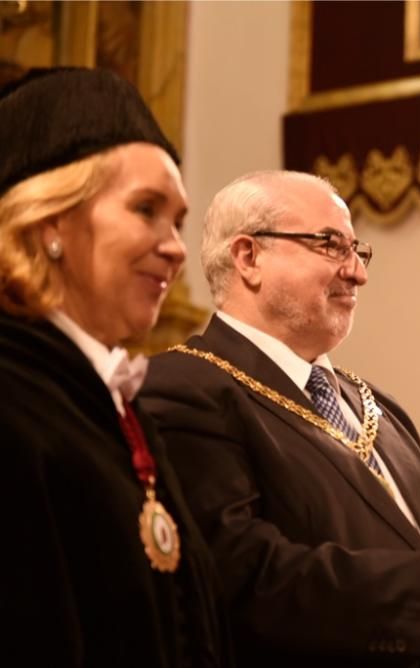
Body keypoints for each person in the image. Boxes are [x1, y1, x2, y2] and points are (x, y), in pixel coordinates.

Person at [139, 170, 420, 667]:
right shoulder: (184, 388)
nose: (357, 272)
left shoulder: (368, 399)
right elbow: (241, 575)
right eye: (331, 245)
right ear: (249, 257)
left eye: (358, 251)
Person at [0, 68, 230, 666]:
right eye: (146, 209)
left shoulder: (108, 406)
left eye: (177, 220)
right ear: (49, 221)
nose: (176, 246)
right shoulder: (13, 399)